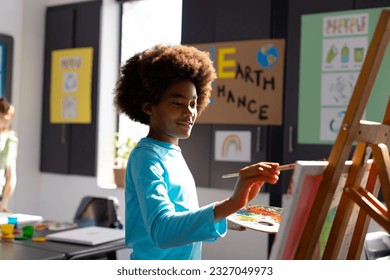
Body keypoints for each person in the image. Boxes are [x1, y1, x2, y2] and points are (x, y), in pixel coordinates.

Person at [114, 44, 280, 260]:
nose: (189, 112)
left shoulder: (172, 153)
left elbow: (182, 219)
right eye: (177, 103)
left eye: (193, 104)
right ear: (148, 107)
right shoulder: (146, 157)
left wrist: (235, 209)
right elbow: (162, 231)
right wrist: (231, 203)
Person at [0, 97, 18, 212]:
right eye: (2, 118)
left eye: (8, 119)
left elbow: (11, 176)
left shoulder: (9, 140)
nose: (5, 122)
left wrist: (4, 204)